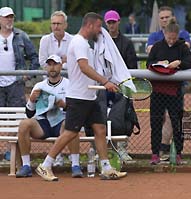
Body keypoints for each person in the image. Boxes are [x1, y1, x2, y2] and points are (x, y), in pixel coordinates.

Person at [35, 12, 127, 181]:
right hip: (78, 97)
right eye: (99, 26)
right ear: (90, 25)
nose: (101, 30)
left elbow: (92, 68)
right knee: (70, 132)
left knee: (100, 129)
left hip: (90, 96)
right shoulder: (79, 43)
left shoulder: (85, 44)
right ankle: (45, 165)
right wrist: (105, 82)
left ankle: (106, 167)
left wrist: (108, 80)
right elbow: (84, 67)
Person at [15, 54, 83, 178]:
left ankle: (75, 165)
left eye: (55, 64)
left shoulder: (69, 84)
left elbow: (75, 110)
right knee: (24, 124)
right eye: (49, 64)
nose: (52, 68)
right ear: (46, 67)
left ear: (61, 66)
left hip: (61, 121)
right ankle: (26, 166)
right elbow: (29, 113)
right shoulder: (39, 86)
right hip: (43, 123)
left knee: (70, 124)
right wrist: (32, 100)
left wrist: (63, 105)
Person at [146, 6, 191, 162]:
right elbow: (149, 63)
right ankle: (155, 153)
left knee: (177, 122)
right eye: (169, 38)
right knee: (156, 121)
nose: (171, 41)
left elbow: (189, 63)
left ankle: (178, 153)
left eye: (174, 38)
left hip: (175, 90)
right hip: (158, 90)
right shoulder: (158, 46)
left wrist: (178, 63)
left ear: (177, 35)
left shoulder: (182, 46)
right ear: (164, 34)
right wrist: (159, 64)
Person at [39, 10, 75, 166]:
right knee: (50, 118)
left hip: (69, 85)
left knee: (67, 119)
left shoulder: (73, 40)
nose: (56, 26)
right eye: (53, 23)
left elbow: (75, 63)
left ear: (65, 25)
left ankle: (65, 157)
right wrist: (61, 62)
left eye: (59, 23)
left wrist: (58, 64)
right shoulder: (45, 40)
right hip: (48, 85)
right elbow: (42, 62)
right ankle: (57, 156)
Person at [104, 10, 138, 162]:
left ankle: (123, 149)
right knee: (103, 117)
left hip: (123, 88)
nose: (111, 25)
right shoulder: (101, 42)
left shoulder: (127, 43)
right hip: (105, 87)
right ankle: (103, 150)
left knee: (124, 118)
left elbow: (132, 66)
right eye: (109, 22)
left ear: (119, 22)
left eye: (113, 22)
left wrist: (123, 82)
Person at [0, 7, 40, 107]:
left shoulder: (21, 36)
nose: (9, 20)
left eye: (11, 17)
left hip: (16, 83)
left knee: (16, 116)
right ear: (0, 19)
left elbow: (34, 57)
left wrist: (28, 75)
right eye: (6, 17)